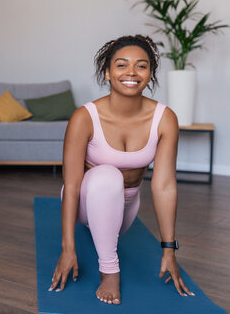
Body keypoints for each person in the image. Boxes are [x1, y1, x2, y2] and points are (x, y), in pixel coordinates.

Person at [49, 35, 194, 304]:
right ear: (107, 73)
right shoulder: (84, 117)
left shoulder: (165, 118)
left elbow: (163, 186)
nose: (131, 72)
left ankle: (103, 232)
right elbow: (71, 186)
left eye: (141, 66)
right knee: (108, 175)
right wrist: (68, 248)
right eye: (121, 65)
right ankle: (110, 272)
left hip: (127, 206)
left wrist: (169, 249)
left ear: (150, 75)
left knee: (116, 184)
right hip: (84, 200)